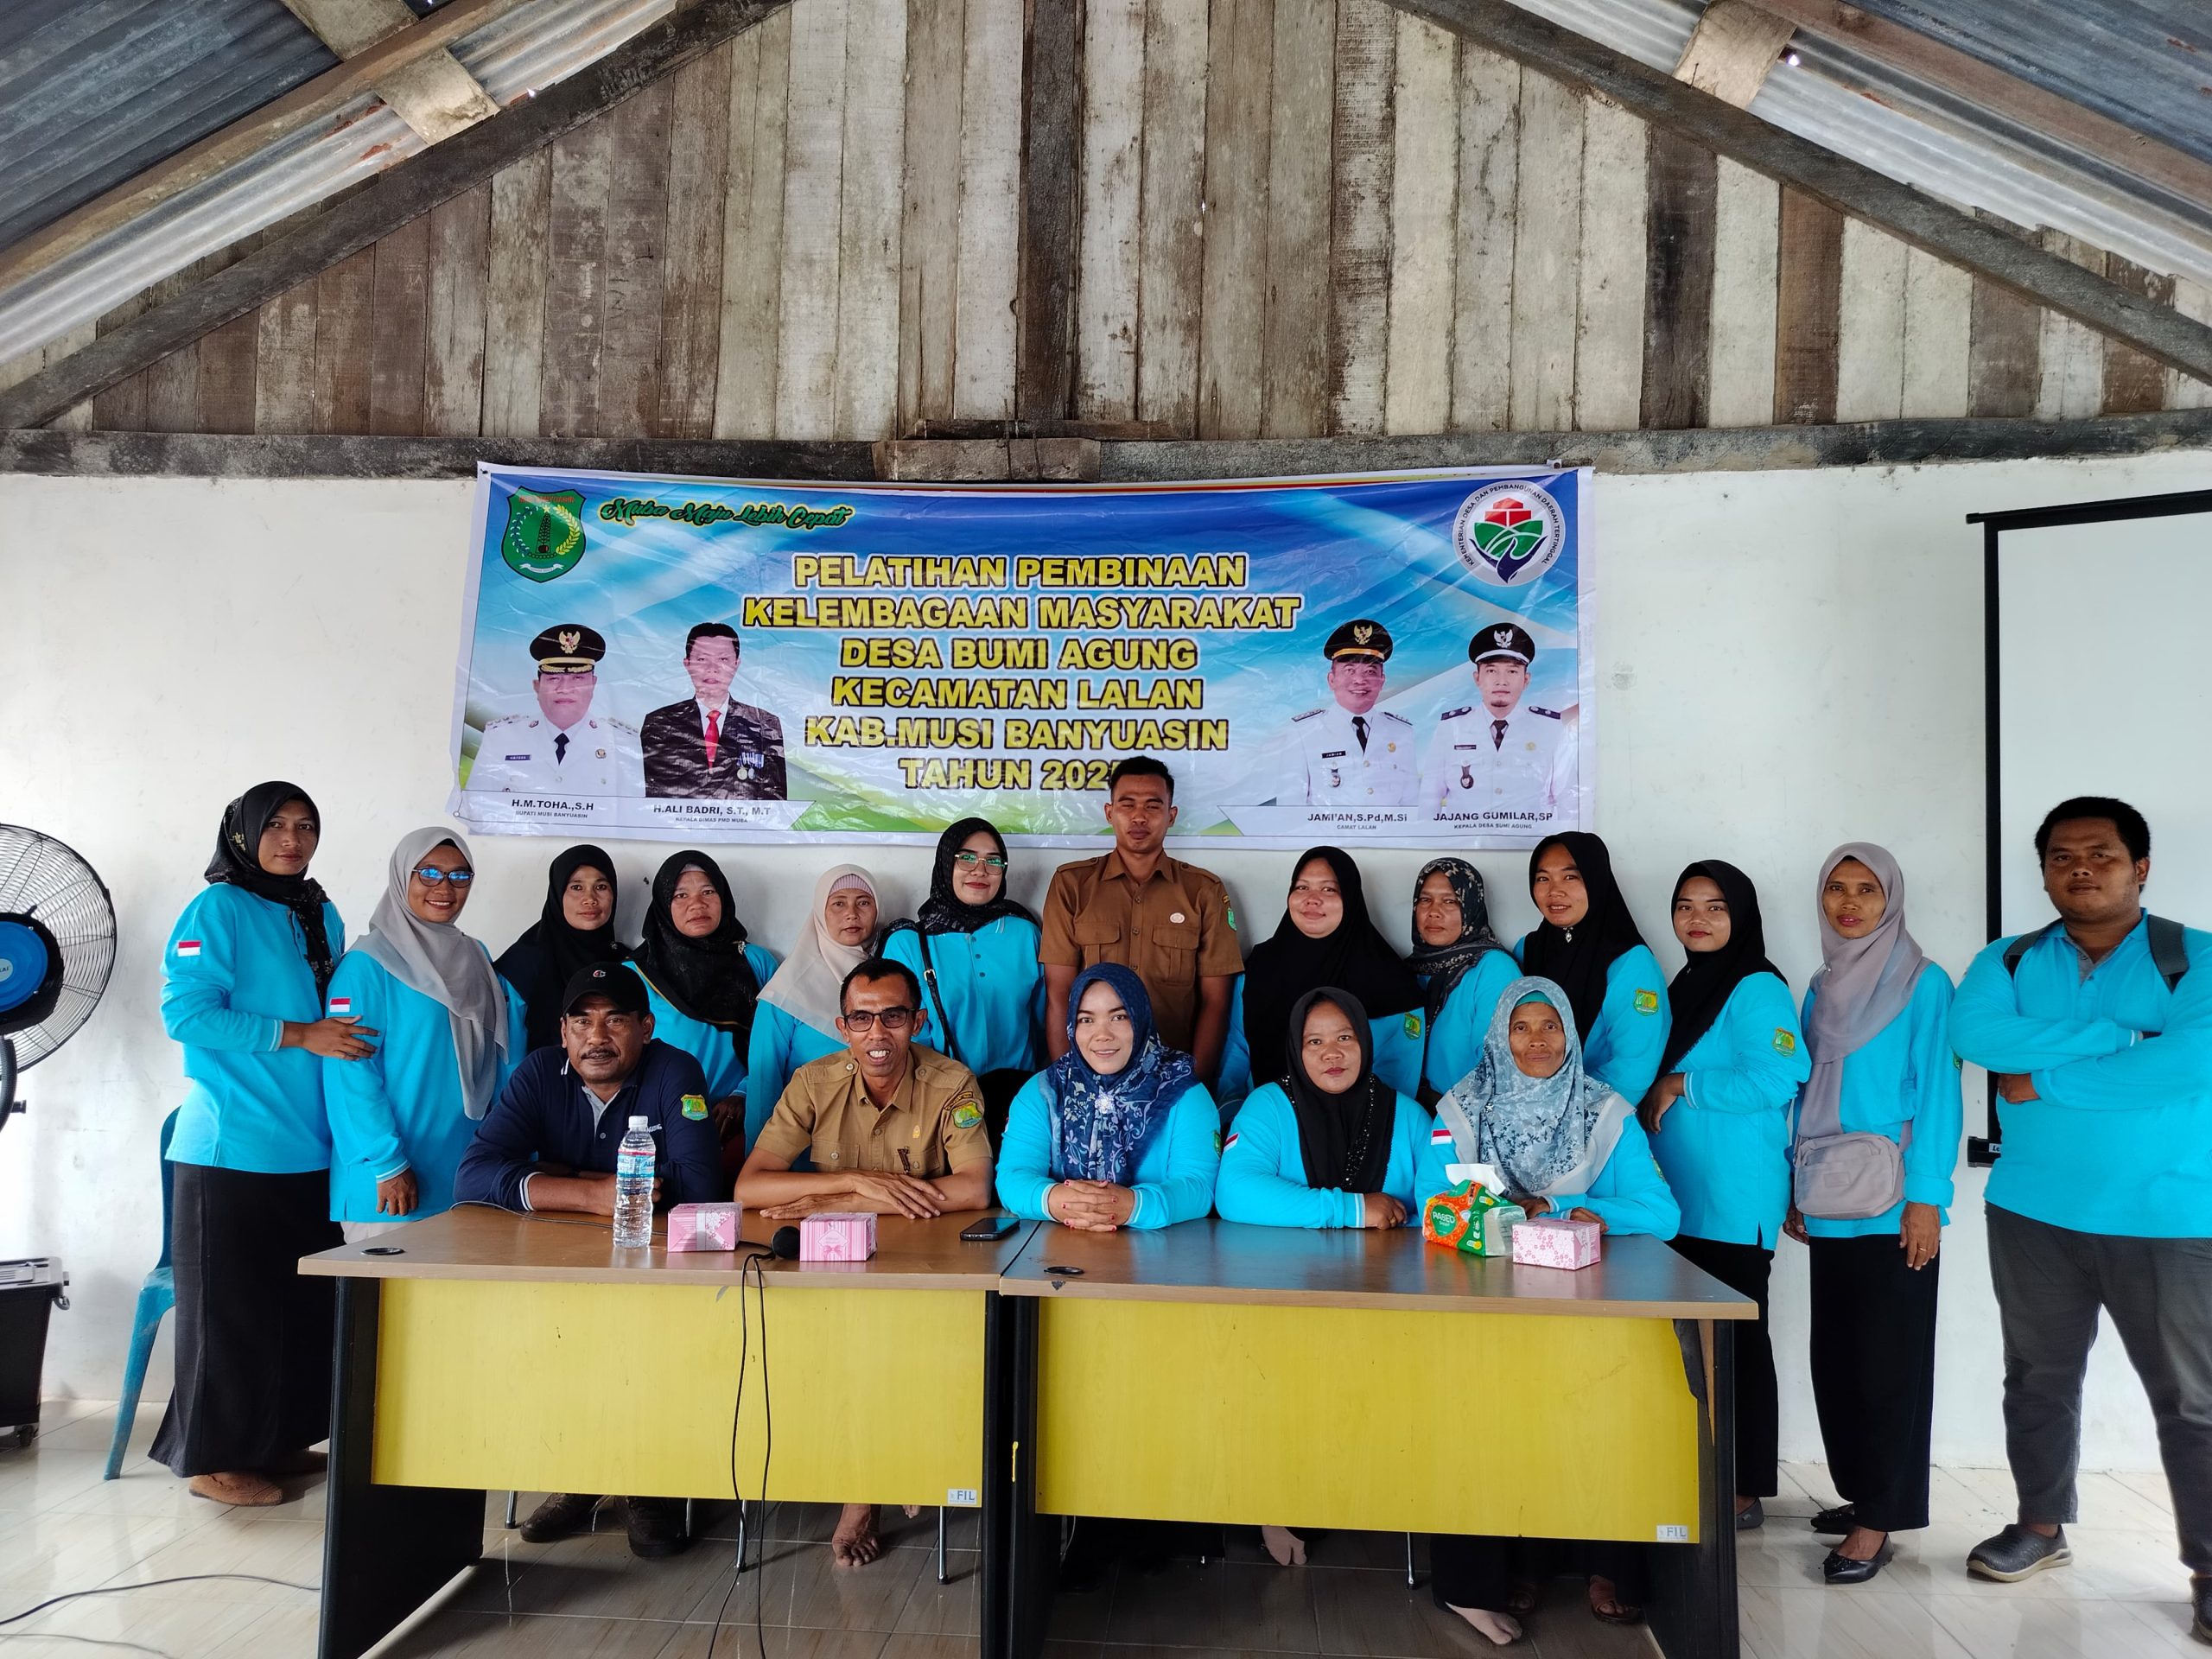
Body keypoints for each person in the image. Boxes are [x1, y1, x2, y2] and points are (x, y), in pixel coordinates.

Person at [1949, 798, 2212, 1634]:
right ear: (2044, 873)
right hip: (2033, 1209)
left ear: (2140, 867)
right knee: (2037, 1378)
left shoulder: (2194, 958)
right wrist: (2123, 1039)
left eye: (2101, 854)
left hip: (2170, 1215)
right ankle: (2039, 1527)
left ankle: (2209, 1566)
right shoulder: (2008, 958)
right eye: (2062, 857)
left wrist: (2047, 1078)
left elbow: (2194, 1060)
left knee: (2192, 1398)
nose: (2081, 869)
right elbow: (1978, 1035)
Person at [1420, 977, 1681, 1642]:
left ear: (1570, 1034)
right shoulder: (1461, 1110)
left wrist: (1561, 1207)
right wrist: (1514, 1216)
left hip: (1585, 1311)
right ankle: (1521, 1565)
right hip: (1488, 1309)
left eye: (1550, 1026)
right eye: (1521, 1028)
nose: (1536, 1041)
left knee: (1599, 1431)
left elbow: (1662, 1213)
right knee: (1498, 1432)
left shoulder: (1604, 1112)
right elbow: (1433, 1204)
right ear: (1498, 1037)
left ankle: (1604, 1565)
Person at [454, 960, 721, 1560]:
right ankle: (582, 1472)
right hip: (565, 1264)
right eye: (582, 1022)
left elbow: (698, 1184)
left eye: (615, 1020)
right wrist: (593, 1193)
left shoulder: (674, 1070)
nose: (597, 1037)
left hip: (656, 1267)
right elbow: (472, 1176)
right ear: (563, 1031)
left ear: (645, 1027)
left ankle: (645, 1483)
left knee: (643, 1346)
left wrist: (558, 1176)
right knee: (558, 1345)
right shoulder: (538, 1072)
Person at [734, 957, 995, 1568]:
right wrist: (854, 1180)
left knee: (907, 1344)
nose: (878, 1033)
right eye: (862, 1019)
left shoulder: (952, 1082)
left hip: (925, 1265)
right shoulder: (813, 1081)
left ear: (918, 1022)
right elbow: (750, 1186)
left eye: (893, 1017)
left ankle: (879, 1478)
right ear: (842, 1026)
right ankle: (867, 1476)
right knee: (826, 1345)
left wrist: (851, 1199)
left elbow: (975, 1188)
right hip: (836, 1266)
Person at [153, 783, 359, 1509]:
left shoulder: (318, 912)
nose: (292, 841)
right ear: (242, 833)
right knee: (230, 1316)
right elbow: (186, 1013)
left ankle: (273, 1440)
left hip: (308, 1147)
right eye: (274, 826)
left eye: (306, 826)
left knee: (298, 1309)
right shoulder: (219, 908)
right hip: (231, 1148)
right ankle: (211, 1461)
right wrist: (300, 1035)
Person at [1785, 843, 1958, 1586]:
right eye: (1836, 888)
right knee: (1839, 1361)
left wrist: (1928, 1198)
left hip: (1893, 1204)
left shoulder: (1924, 983)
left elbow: (1941, 1094)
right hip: (1829, 1193)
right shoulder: (1820, 989)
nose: (1850, 903)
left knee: (1891, 1368)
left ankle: (1880, 1518)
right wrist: (1793, 1185)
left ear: (1891, 898)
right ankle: (1862, 1492)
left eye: (1866, 889)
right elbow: (1803, 1095)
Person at [1215, 986, 1429, 1567]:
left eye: (1344, 1038)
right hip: (1288, 1304)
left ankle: (1380, 1499)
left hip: (1385, 1306)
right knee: (1284, 1390)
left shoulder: (1407, 1115)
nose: (1331, 1054)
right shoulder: (1268, 1106)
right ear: (1296, 1048)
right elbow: (1235, 1191)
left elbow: (1441, 1205)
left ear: (1365, 1042)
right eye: (1314, 1042)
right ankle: (1278, 1502)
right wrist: (1354, 1210)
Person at [1638, 860, 1808, 1533]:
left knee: (1737, 1347)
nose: (1698, 919)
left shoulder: (1756, 986)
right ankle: (1701, 1472)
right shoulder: (1685, 984)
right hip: (1680, 1198)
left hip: (1733, 1202)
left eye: (1715, 906)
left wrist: (1681, 1085)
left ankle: (1743, 1487)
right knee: (1690, 1347)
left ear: (1740, 915)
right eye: (1685, 905)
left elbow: (1777, 1078)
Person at [323, 828, 525, 1243]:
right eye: (429, 873)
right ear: (402, 877)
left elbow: (499, 1059)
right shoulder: (367, 966)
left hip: (464, 1174)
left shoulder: (476, 956)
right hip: (391, 1185)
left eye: (459, 876)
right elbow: (350, 1075)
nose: (445, 888)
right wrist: (386, 1163)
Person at [1039, 756, 1243, 1081]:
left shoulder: (1203, 891)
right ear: (1109, 812)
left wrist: (1192, 1084)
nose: (1139, 816)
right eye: (1127, 804)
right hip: (1092, 1070)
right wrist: (1072, 1081)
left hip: (1171, 1072)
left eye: (1152, 805)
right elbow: (1058, 993)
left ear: (1171, 816)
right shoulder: (1072, 885)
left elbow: (1216, 1003)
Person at [997, 963, 1220, 1230]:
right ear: (1072, 1026)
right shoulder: (1043, 1092)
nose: (1102, 1035)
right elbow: (1012, 1178)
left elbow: (1198, 1188)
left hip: (1161, 1252)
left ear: (1140, 1018)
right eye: (1086, 1020)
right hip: (1056, 1248)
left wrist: (1132, 1205)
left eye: (1119, 1017)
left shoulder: (1184, 1093)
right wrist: (1062, 1202)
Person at [879, 817, 1045, 1144]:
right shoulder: (908, 943)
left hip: (1018, 1104)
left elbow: (1043, 1022)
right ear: (945, 863)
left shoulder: (1025, 933)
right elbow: (899, 1036)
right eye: (966, 858)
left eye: (993, 861)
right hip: (938, 1106)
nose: (980, 871)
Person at [630, 851, 779, 1169]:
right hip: (660, 1121)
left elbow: (778, 1043)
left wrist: (744, 1095)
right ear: (663, 905)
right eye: (680, 895)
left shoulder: (755, 963)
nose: (697, 905)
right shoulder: (637, 973)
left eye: (708, 892)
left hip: (740, 1119)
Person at [1241, 847, 1426, 1100]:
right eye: (1302, 887)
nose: (1312, 899)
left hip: (1357, 1117)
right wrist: (1240, 1111)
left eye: (1328, 889)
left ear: (1350, 897)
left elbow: (1396, 1074)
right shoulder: (1260, 965)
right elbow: (1235, 1051)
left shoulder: (1389, 979)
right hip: (1266, 1113)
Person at [1517, 833, 1669, 1101]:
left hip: (1598, 1112)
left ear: (1596, 880)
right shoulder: (1527, 950)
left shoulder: (1629, 961)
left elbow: (1634, 1068)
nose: (1554, 891)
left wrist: (1570, 1113)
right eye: (1543, 879)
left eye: (1570, 877)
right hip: (1526, 1110)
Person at [745, 865, 880, 1141]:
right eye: (838, 903)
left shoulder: (892, 977)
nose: (852, 914)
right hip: (808, 1144)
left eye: (864, 902)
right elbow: (763, 1086)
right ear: (820, 912)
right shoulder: (786, 991)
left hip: (881, 1140)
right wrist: (759, 1161)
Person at [1417, 622, 1575, 829]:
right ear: (1477, 678)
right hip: (1465, 840)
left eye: (1512, 671)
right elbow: (1430, 797)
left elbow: (1567, 798)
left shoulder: (1550, 728)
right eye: (1491, 671)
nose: (1502, 681)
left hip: (1529, 841)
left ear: (1526, 680)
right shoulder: (1451, 727)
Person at [470, 624, 640, 797]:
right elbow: (476, 804)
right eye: (554, 678)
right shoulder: (501, 738)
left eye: (578, 678)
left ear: (593, 684)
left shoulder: (623, 743)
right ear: (537, 686)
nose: (565, 689)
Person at [1408, 857, 1522, 1106]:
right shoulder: (1405, 971)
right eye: (1425, 900)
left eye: (1450, 901)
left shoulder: (1493, 969)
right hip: (1411, 1113)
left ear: (1471, 907)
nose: (1434, 912)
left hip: (1468, 1116)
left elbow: (1498, 1068)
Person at [494, 843, 627, 1053]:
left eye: (601, 887)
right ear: (557, 894)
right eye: (576, 887)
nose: (590, 899)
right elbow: (508, 1056)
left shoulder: (624, 962)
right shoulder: (522, 964)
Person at [639, 621, 788, 799]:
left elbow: (775, 799)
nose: (712, 669)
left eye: (723, 659)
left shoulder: (764, 724)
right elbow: (648, 793)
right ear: (687, 663)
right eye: (702, 659)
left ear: (736, 664)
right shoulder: (660, 723)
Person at [1285, 619, 1417, 804]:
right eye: (1349, 670)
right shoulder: (1304, 732)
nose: (1359, 680)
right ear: (1332, 680)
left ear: (1382, 681)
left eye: (1370, 671)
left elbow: (1411, 804)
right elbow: (1290, 808)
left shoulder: (1401, 732)